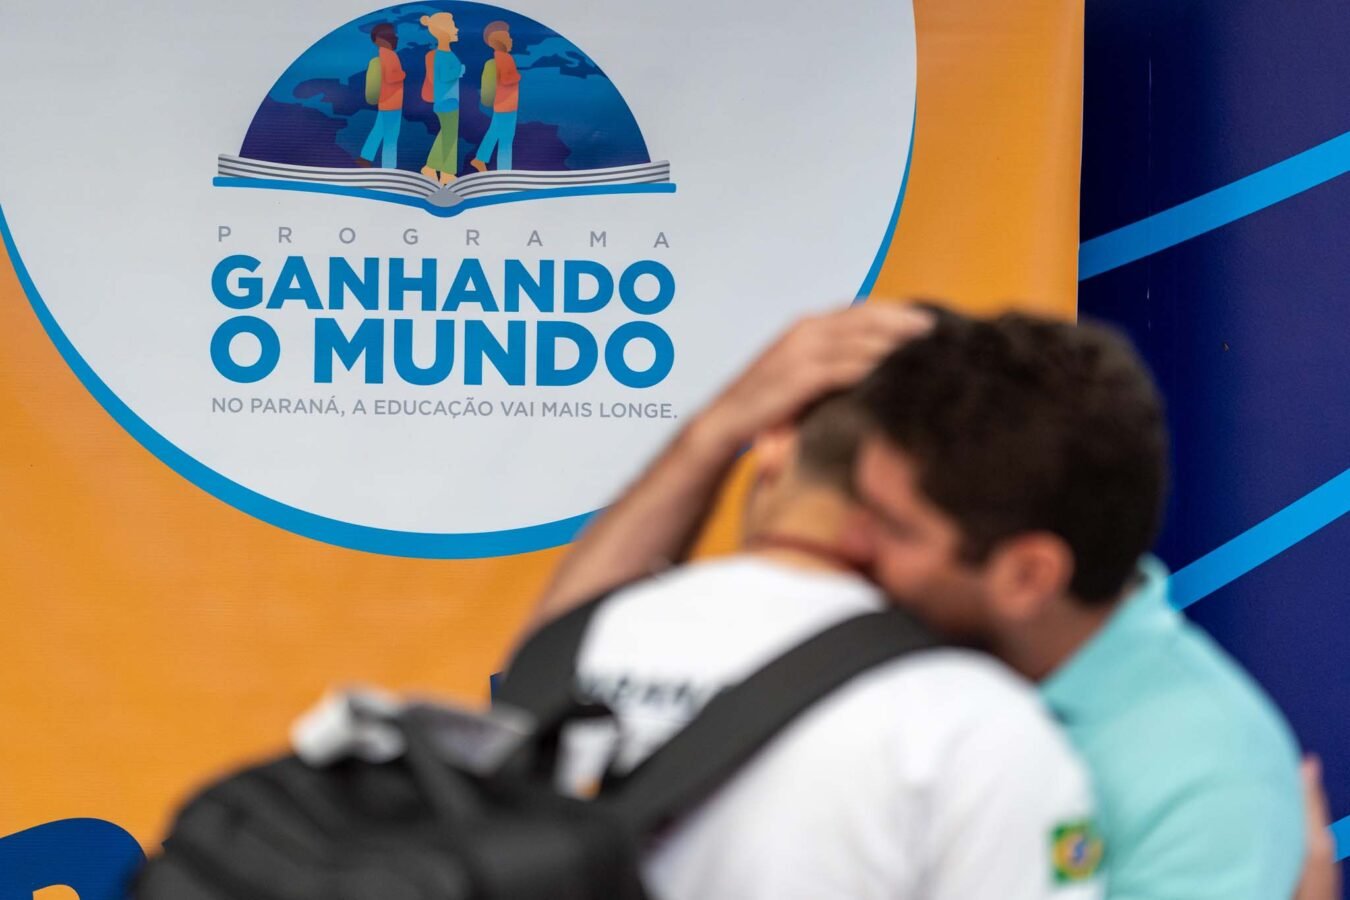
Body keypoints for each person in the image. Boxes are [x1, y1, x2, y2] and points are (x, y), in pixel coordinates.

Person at [521, 303, 1315, 899]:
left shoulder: (1203, 781)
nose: (850, 539)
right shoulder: (912, 647)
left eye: (894, 527)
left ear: (1025, 576)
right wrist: (714, 432)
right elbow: (552, 665)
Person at [419, 12, 465, 184]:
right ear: (443, 31)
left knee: (446, 135)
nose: (457, 29)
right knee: (449, 136)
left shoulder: (445, 53)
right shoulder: (443, 54)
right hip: (446, 101)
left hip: (448, 100)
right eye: (453, 26)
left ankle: (434, 169)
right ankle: (445, 172)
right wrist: (459, 70)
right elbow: (444, 76)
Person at [469, 21, 520, 172]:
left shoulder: (498, 57)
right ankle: (504, 171)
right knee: (506, 139)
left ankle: (480, 159)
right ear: (500, 41)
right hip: (507, 106)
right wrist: (517, 76)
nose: (511, 40)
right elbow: (506, 79)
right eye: (508, 37)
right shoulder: (505, 58)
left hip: (502, 104)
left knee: (495, 132)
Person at [357, 23, 405, 169]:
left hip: (385, 102)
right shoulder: (390, 55)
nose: (396, 37)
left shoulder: (382, 54)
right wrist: (403, 74)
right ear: (382, 39)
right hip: (393, 103)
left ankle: (365, 158)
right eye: (393, 34)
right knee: (391, 138)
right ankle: (389, 168)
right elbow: (391, 77)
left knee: (378, 131)